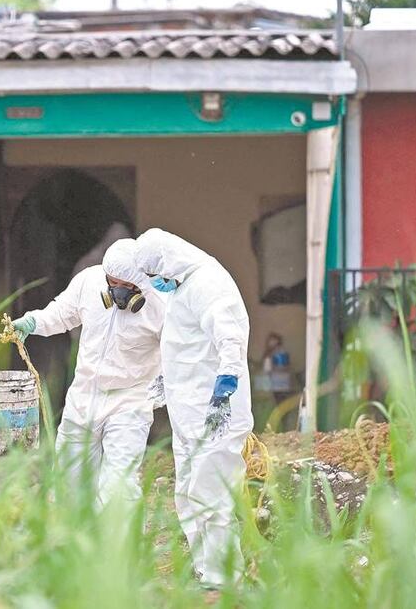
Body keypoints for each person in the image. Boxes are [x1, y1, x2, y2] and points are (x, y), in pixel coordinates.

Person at [132, 228, 253, 589]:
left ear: (166, 263)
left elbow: (229, 337)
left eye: (153, 275)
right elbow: (183, 344)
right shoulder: (182, 286)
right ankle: (204, 568)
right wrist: (163, 381)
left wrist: (226, 383)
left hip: (214, 412)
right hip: (188, 413)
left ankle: (224, 575)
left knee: (212, 492)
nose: (155, 283)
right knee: (188, 492)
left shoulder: (208, 283)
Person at [11, 238, 166, 505]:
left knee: (119, 484)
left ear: (140, 283)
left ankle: (117, 533)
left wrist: (156, 395)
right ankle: (70, 532)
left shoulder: (160, 303)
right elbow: (62, 313)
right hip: (84, 395)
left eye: (126, 286)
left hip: (130, 400)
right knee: (68, 481)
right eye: (112, 283)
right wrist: (34, 321)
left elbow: (175, 351)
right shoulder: (89, 282)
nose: (117, 291)